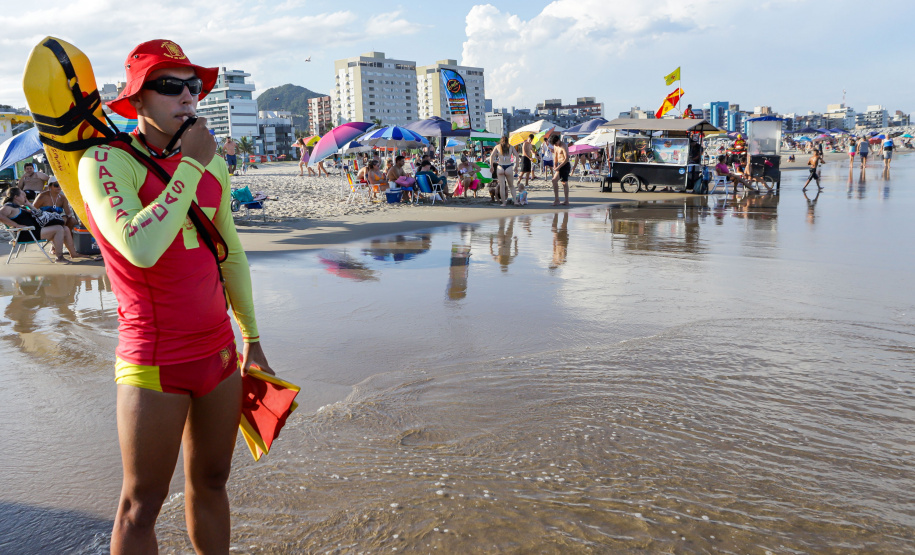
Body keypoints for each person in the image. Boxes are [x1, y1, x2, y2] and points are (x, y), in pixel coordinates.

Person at [80, 39, 273, 553]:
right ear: (136, 100)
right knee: (141, 504)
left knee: (212, 481)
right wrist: (190, 165)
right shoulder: (106, 161)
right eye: (169, 86)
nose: (187, 97)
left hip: (218, 353)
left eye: (194, 87)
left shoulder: (213, 165)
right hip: (154, 357)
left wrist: (252, 339)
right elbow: (139, 248)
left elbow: (230, 253)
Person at [0, 187, 91, 263]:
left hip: (33, 231)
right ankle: (59, 257)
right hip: (26, 233)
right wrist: (16, 225)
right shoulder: (9, 207)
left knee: (65, 228)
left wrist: (28, 205)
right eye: (23, 196)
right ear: (16, 197)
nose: (25, 197)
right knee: (59, 229)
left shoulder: (19, 206)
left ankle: (73, 254)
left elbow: (38, 213)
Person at [489, 136, 517, 207]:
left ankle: (504, 203)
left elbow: (491, 156)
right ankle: (515, 201)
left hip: (500, 167)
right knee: (511, 186)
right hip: (508, 167)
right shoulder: (511, 147)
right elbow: (517, 155)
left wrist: (491, 166)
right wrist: (516, 166)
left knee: (502, 186)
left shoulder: (497, 146)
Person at [550, 134, 571, 206]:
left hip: (565, 165)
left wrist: (559, 166)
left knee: (564, 183)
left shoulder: (563, 146)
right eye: (554, 144)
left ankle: (566, 201)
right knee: (554, 180)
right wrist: (555, 165)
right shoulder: (555, 146)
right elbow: (555, 156)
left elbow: (567, 158)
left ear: (558, 140)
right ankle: (557, 200)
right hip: (559, 165)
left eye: (556, 143)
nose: (556, 145)